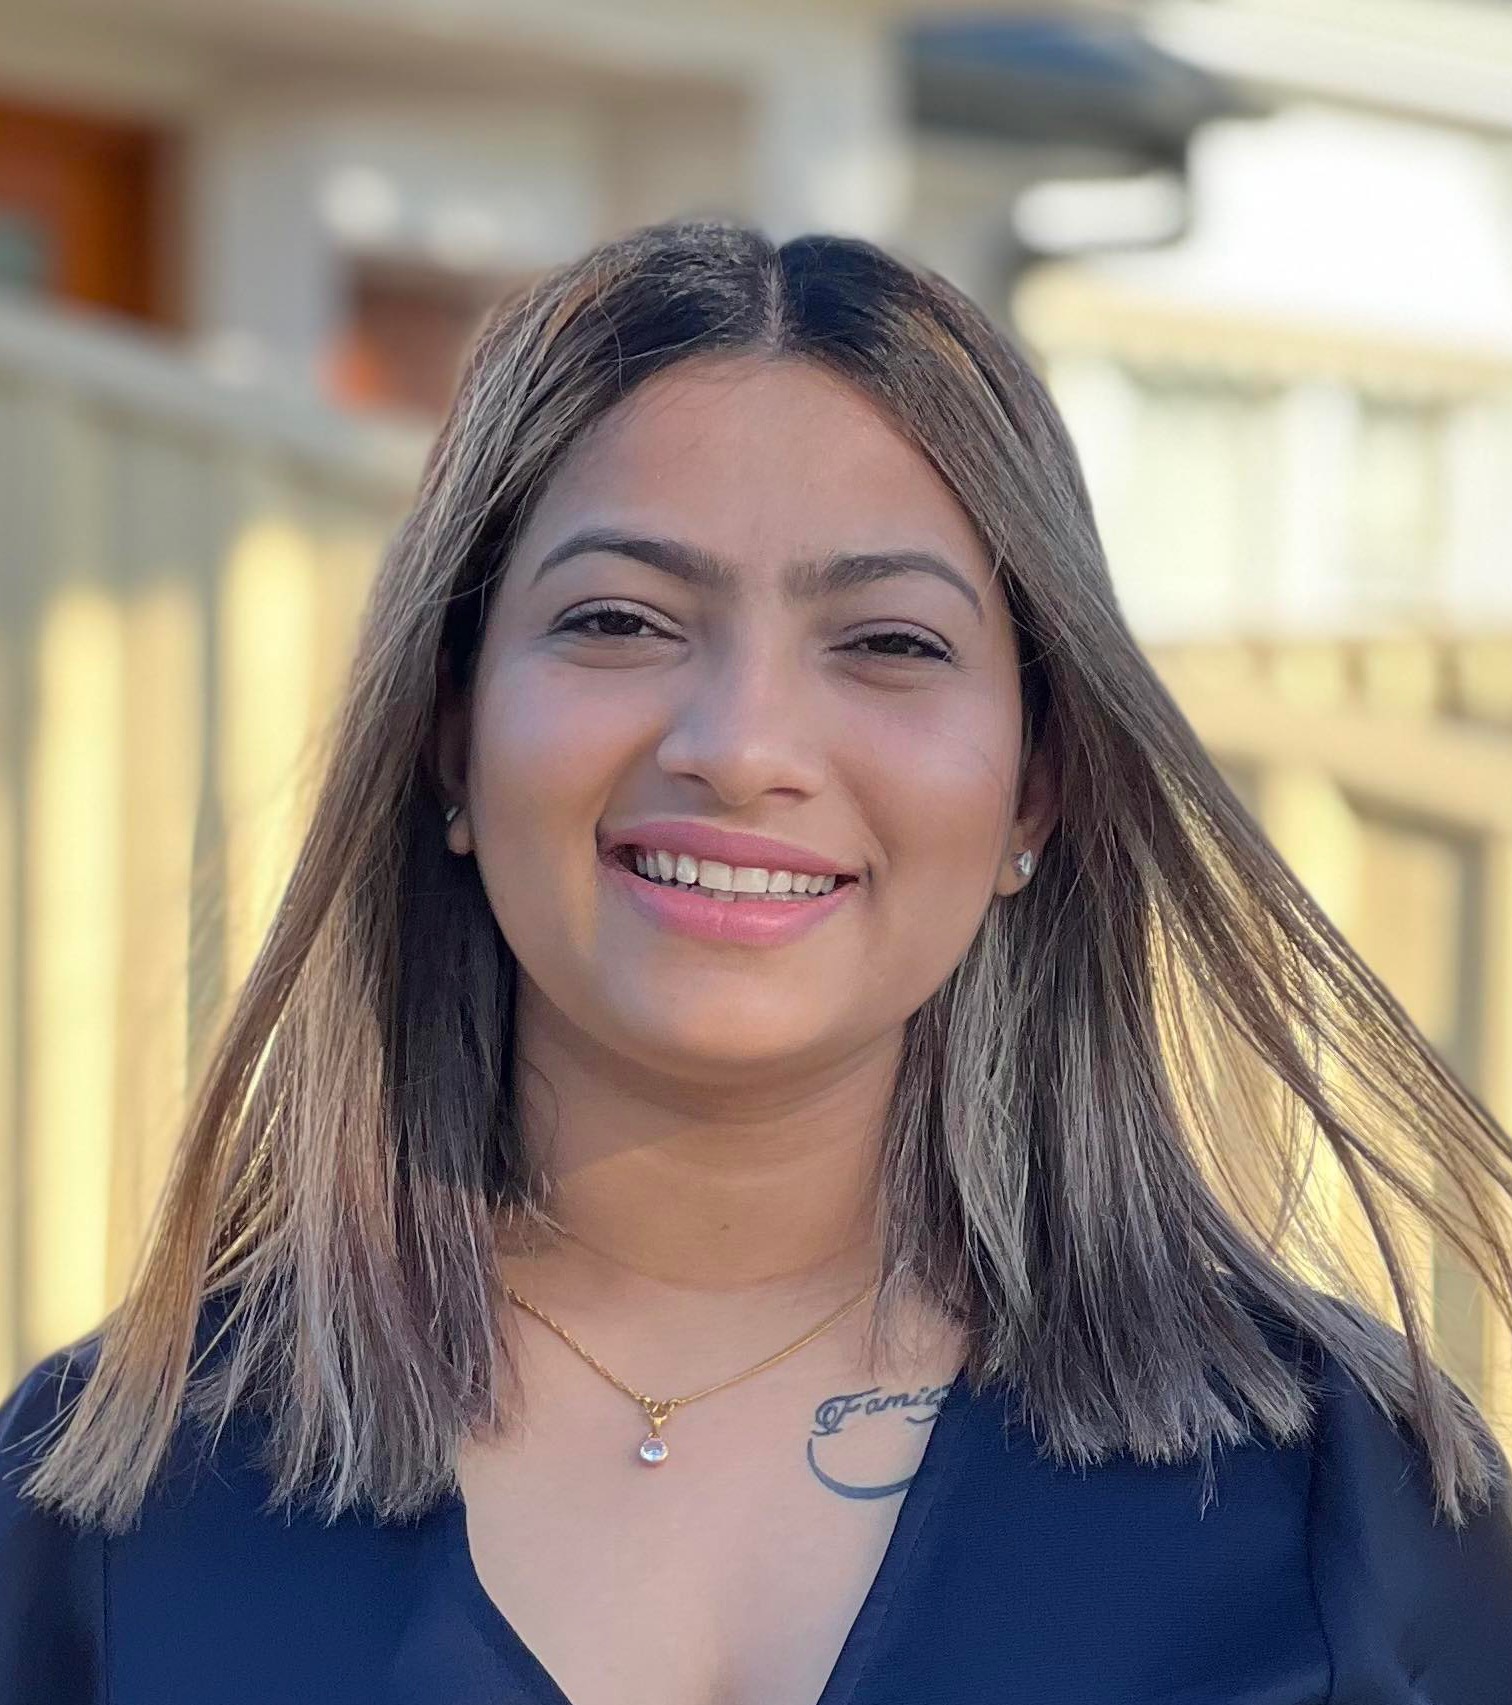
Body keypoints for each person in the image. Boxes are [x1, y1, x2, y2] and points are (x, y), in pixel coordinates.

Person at [3, 217, 1511, 1705]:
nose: (740, 746)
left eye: (889, 642)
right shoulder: (109, 1516)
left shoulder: (1354, 1507)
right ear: (451, 730)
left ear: (1034, 787)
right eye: (619, 619)